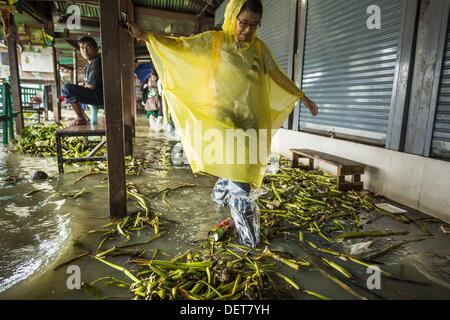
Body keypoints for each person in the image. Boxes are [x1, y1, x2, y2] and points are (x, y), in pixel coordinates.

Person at [126, 0, 318, 248]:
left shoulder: (259, 49)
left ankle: (217, 199)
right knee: (243, 182)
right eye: (244, 23)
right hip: (222, 120)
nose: (248, 30)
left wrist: (302, 96)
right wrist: (147, 37)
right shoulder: (214, 41)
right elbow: (182, 46)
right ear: (232, 17)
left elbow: (277, 75)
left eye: (254, 25)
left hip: (250, 121)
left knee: (240, 167)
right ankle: (250, 242)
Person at [61, 36, 103, 126]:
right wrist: (84, 85)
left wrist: (83, 84)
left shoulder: (97, 62)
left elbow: (92, 85)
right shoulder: (88, 65)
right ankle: (84, 117)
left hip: (101, 96)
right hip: (97, 94)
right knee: (73, 91)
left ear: (96, 49)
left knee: (67, 88)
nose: (85, 50)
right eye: (82, 48)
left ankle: (81, 117)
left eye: (88, 47)